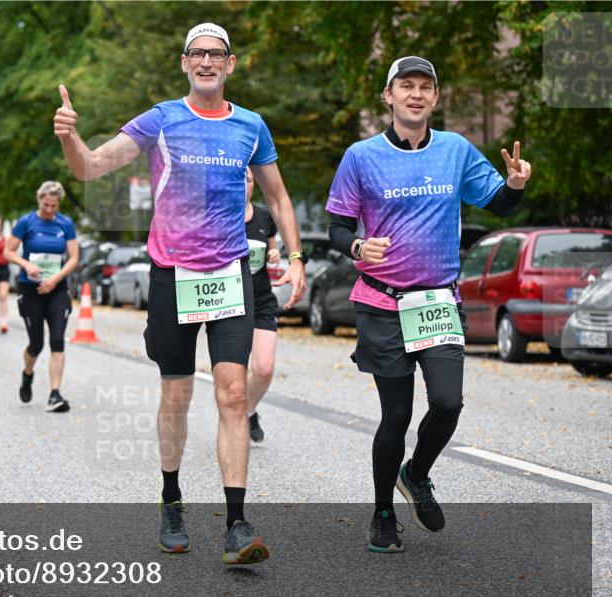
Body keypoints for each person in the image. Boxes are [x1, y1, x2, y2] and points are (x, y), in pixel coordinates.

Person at [54, 23, 306, 565]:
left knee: (234, 393)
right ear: (184, 62)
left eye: (217, 54)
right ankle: (172, 500)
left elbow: (279, 196)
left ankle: (237, 524)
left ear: (231, 64)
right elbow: (91, 167)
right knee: (176, 395)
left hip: (232, 274)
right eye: (198, 54)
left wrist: (297, 255)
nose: (208, 62)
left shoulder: (250, 125)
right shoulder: (161, 119)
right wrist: (69, 137)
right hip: (174, 276)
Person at [326, 56, 531, 553]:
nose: (415, 94)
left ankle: (415, 474)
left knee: (447, 402)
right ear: (388, 96)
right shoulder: (361, 156)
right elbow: (337, 227)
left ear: (435, 98)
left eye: (425, 87)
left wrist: (517, 185)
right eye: (405, 86)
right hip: (382, 303)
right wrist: (357, 248)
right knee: (395, 417)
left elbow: (498, 203)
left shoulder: (456, 151)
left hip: (438, 302)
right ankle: (382, 514)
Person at [4, 181, 79, 413]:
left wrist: (55, 279)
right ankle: (28, 374)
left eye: (53, 206)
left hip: (56, 290)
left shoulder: (65, 223)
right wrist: (26, 265)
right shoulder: (26, 222)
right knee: (36, 344)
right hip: (31, 290)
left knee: (57, 340)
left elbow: (74, 257)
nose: (49, 210)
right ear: (39, 199)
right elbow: (8, 251)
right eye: (46, 204)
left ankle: (55, 394)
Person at [243, 170, 288, 444]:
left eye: (248, 179)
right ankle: (236, 412)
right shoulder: (220, 215)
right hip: (230, 301)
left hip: (261, 300)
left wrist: (274, 254)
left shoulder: (264, 216)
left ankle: (249, 410)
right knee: (234, 373)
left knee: (263, 368)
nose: (244, 184)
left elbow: (273, 252)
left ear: (254, 184)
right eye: (238, 178)